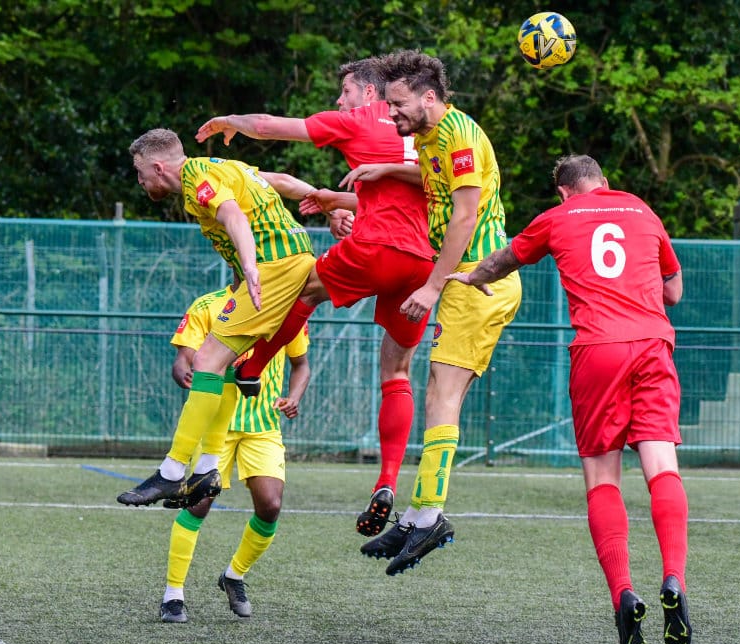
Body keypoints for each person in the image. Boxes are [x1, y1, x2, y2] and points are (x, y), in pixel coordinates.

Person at [447, 154, 691, 644]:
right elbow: (673, 290)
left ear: (563, 192)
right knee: (662, 466)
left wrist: (470, 277)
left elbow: (502, 261)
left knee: (602, 479)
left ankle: (623, 594)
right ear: (605, 182)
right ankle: (674, 578)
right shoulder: (640, 208)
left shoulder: (557, 217)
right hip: (652, 344)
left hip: (597, 351)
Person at [195, 57, 436, 538]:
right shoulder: (432, 130)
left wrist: (230, 121)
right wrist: (335, 200)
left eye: (345, 91)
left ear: (370, 93)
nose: (340, 101)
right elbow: (408, 191)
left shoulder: (360, 119)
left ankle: (254, 367)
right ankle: (387, 482)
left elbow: (270, 126)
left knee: (303, 286)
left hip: (376, 249)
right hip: (422, 261)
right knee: (397, 373)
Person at [356, 50, 522, 576]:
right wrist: (391, 168)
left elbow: (466, 216)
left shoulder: (460, 135)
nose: (391, 114)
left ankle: (428, 518)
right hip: (466, 282)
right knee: (438, 395)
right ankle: (417, 515)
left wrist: (431, 286)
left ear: (429, 97)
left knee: (441, 396)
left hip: (478, 281)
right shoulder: (431, 138)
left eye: (398, 104)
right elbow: (434, 181)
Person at [117, 129, 316, 508]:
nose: (140, 182)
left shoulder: (198, 182)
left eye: (140, 173)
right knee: (221, 365)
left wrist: (250, 266)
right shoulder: (218, 166)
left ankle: (172, 472)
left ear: (158, 168)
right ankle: (207, 468)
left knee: (206, 360)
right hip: (289, 260)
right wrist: (325, 201)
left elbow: (233, 216)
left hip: (275, 268)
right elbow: (278, 181)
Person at [160, 285, 310, 623]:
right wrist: (182, 370)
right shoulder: (208, 305)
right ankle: (173, 595)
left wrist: (295, 396)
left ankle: (234, 576)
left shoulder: (287, 306)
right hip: (216, 425)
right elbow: (183, 358)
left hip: (263, 426)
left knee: (270, 506)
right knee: (197, 504)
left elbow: (301, 365)